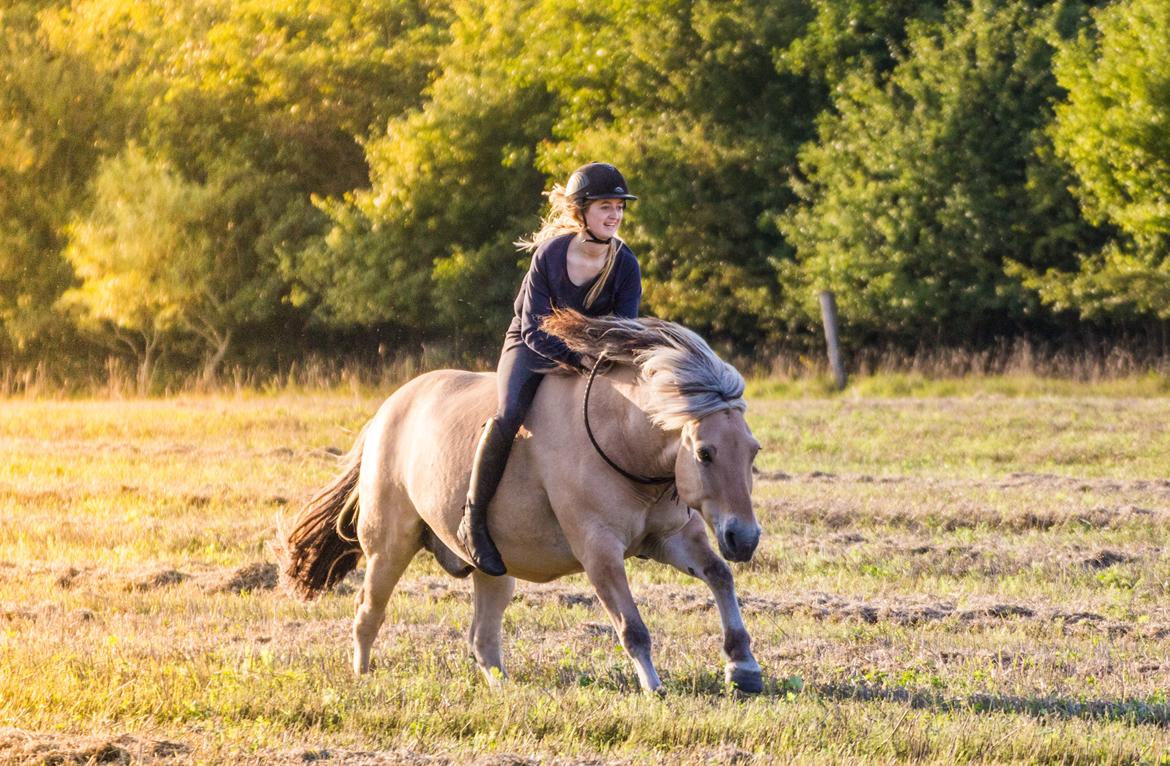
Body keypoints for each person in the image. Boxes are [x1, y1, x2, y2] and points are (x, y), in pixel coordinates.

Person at [456, 162, 643, 575]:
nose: (614, 215)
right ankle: (472, 521)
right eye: (605, 207)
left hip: (592, 352)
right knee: (508, 417)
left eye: (619, 208)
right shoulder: (551, 255)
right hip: (530, 345)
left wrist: (606, 361)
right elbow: (535, 331)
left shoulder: (625, 264)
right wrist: (579, 361)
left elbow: (623, 330)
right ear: (581, 212)